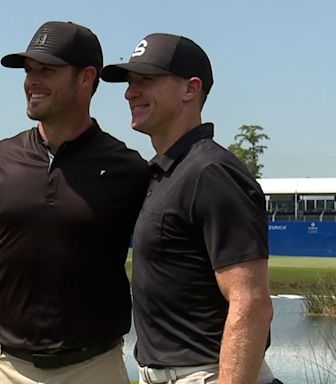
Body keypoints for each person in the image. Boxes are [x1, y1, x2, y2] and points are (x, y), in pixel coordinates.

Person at [0, 21, 150, 384]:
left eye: (47, 70)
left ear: (85, 78)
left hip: (93, 369)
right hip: (4, 368)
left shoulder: (129, 169)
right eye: (29, 70)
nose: (32, 80)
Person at [101, 33, 279, 384]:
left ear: (190, 89)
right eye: (130, 82)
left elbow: (252, 303)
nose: (129, 92)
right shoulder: (168, 170)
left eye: (146, 80)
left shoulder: (212, 172)